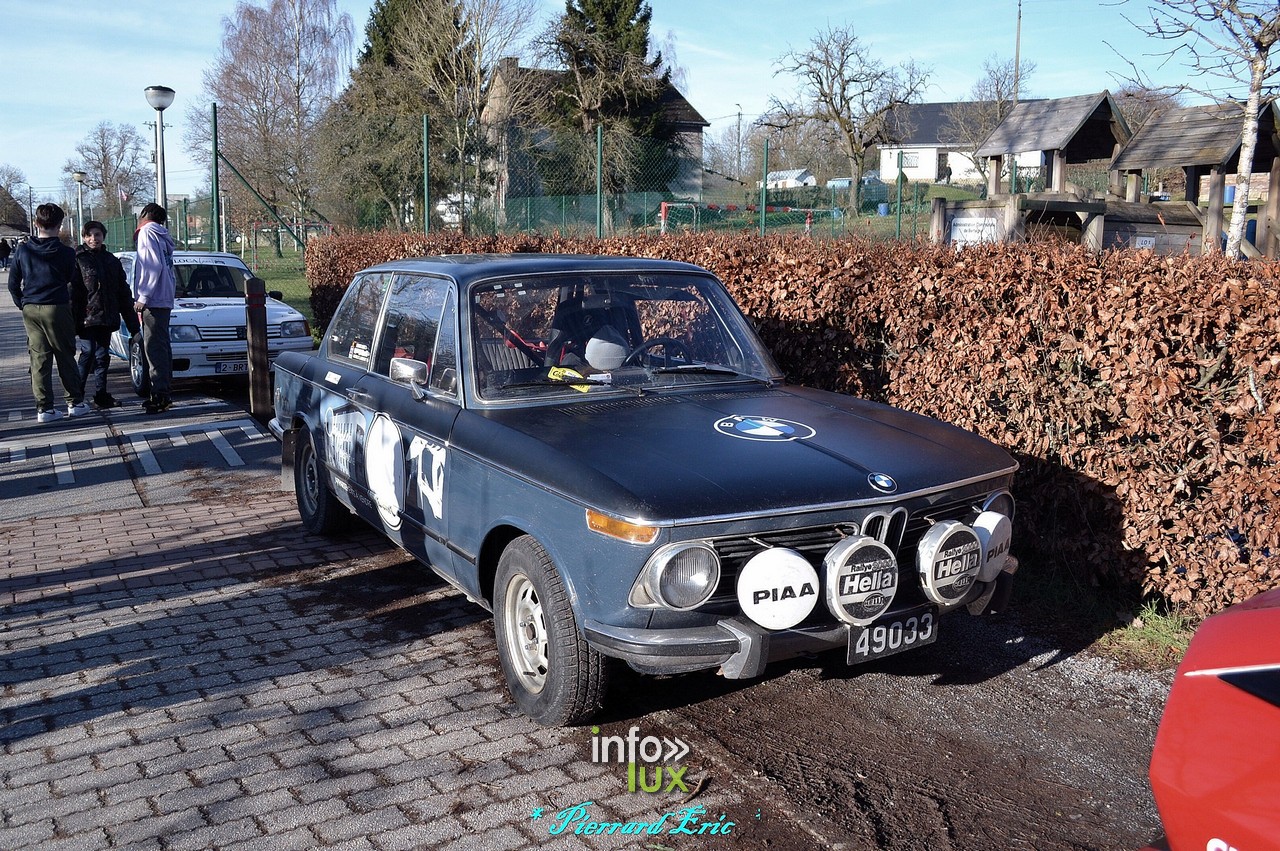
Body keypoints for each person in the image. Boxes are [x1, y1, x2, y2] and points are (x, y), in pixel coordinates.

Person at [7, 204, 88, 422]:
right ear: (60, 225)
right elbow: (71, 281)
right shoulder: (67, 253)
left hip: (31, 308)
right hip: (57, 306)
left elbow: (13, 284)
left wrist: (22, 304)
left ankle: (44, 408)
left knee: (39, 358)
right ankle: (75, 402)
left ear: (36, 223)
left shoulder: (23, 251)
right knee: (65, 355)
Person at [71, 220, 139, 409]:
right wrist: (71, 322)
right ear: (84, 237)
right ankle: (76, 396)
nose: (94, 239)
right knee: (88, 353)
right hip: (86, 318)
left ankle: (101, 395)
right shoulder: (78, 260)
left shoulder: (111, 261)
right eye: (89, 235)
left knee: (102, 356)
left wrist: (133, 326)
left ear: (103, 236)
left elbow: (123, 293)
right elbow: (72, 293)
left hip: (106, 317)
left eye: (98, 235)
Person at [133, 203, 176, 414]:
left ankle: (159, 395)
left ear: (144, 216)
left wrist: (143, 296)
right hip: (164, 296)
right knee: (162, 346)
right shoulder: (162, 235)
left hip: (153, 299)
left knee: (154, 348)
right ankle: (164, 391)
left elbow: (151, 265)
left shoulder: (147, 233)